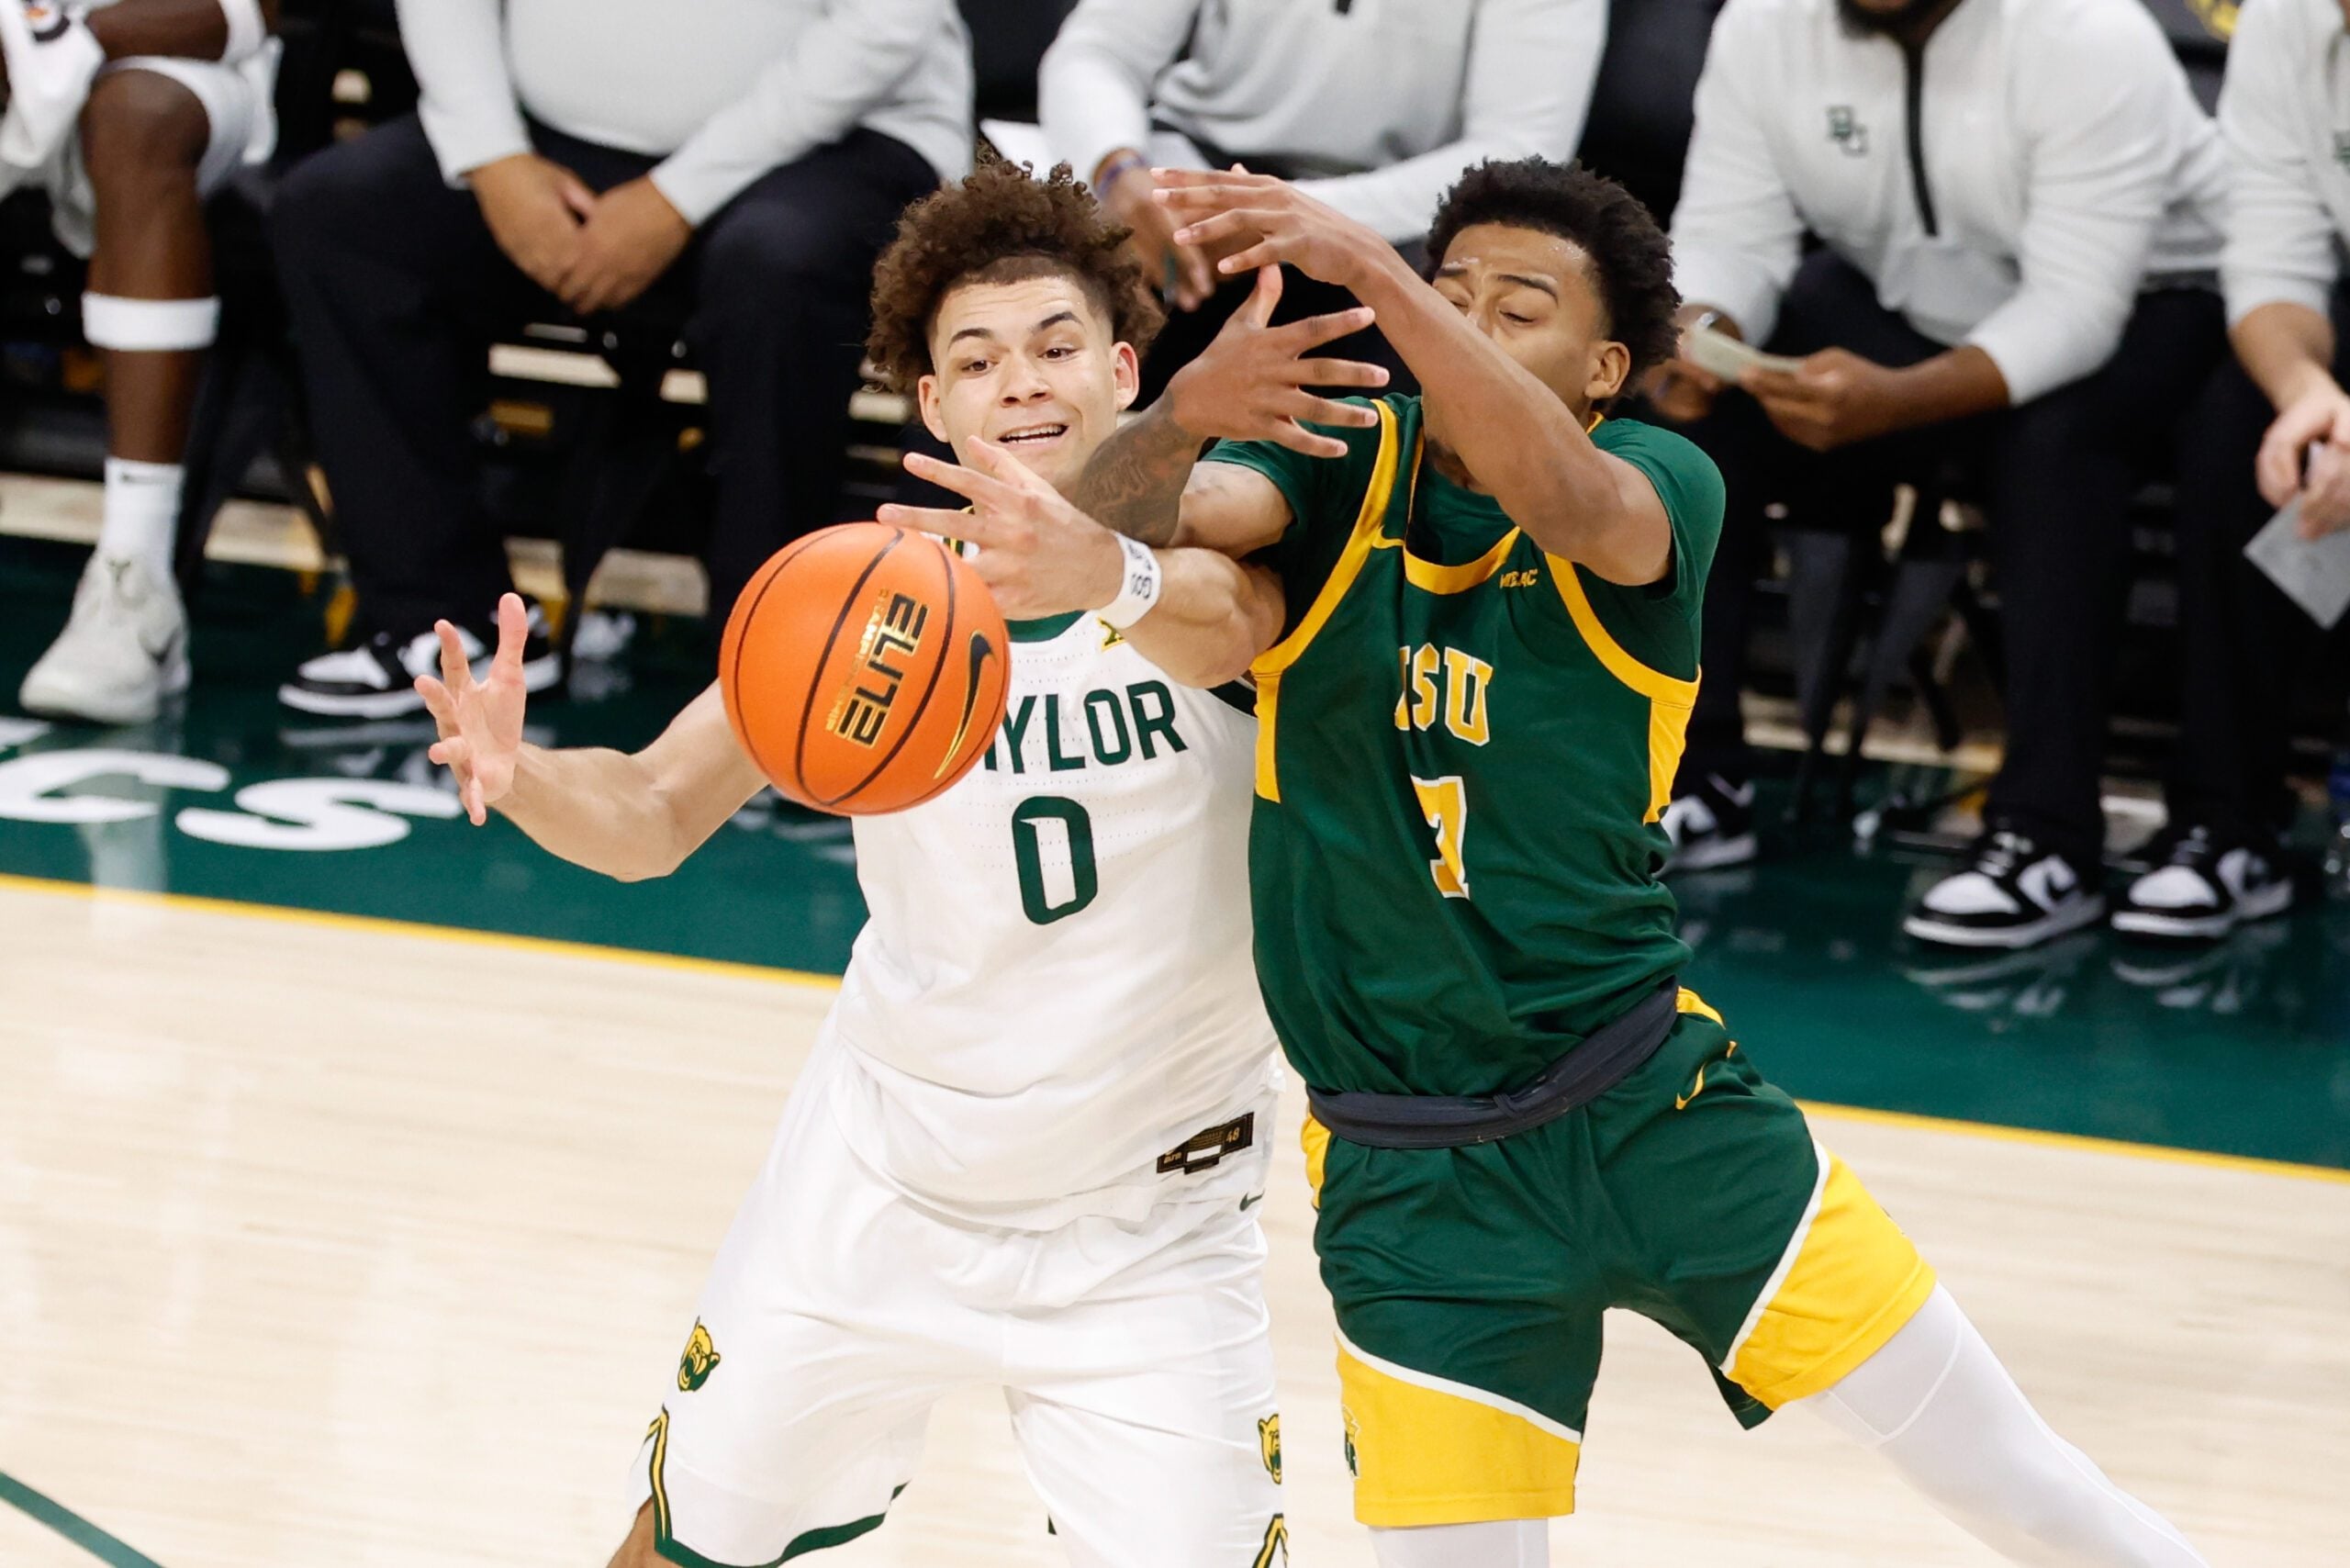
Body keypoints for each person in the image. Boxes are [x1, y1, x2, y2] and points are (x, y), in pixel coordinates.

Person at [951, 154, 2209, 1567]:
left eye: (1521, 305)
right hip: (1407, 1180)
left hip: (1651, 1116)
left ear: (1607, 364)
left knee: (2029, 1495)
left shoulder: (1660, 479)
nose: (1471, 318)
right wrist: (1177, 416)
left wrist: (1373, 271)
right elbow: (1124, 536)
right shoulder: (1339, 460)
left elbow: (1558, 489)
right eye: (1453, 291)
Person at [412, 159, 1389, 1568]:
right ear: (930, 405)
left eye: (1058, 346)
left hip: (1151, 1225)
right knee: (677, 1550)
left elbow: (1203, 605)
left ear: (1124, 367)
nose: (1023, 384)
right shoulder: (858, 592)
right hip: (879, 1184)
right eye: (977, 361)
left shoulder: (1220, 575)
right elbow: (651, 813)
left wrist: (1166, 463)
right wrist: (526, 780)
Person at [1648, 0, 2229, 950]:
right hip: (1912, 303)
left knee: (2054, 447)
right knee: (1689, 420)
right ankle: (1693, 775)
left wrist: (1900, 399)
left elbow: (2076, 309)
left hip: (2159, 308)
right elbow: (1732, 232)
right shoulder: (1762, 25)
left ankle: (2046, 836)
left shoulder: (2089, 35)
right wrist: (1705, 336)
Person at [267, 0, 968, 719]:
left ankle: (770, 673)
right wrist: (492, 156)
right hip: (554, 139)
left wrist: (677, 196)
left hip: (837, 139)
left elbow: (886, 24)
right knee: (340, 218)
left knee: (776, 268)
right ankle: (445, 623)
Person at [1038, 0, 1606, 398]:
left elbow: (1521, 151)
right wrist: (1120, 175)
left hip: (1397, 230)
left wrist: (1286, 218)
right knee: (1044, 370)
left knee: (1326, 479)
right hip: (1188, 195)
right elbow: (1096, 53)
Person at [2114, 0, 2350, 941]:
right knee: (2238, 426)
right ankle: (2227, 821)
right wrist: (2308, 395)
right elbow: (2271, 259)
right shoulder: (2293, 16)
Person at [5, 0, 277, 726]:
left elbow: (240, 15)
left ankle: (135, 587)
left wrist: (51, 40)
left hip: (177, 72)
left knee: (138, 113)